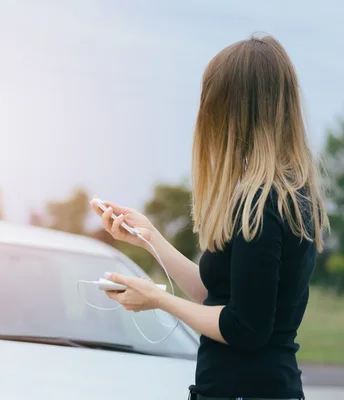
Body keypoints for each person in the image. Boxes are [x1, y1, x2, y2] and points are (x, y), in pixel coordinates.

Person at [91, 34, 329, 400]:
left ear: (233, 110)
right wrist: (150, 239)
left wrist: (160, 301)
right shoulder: (291, 193)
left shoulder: (259, 203)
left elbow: (244, 328)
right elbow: (220, 297)